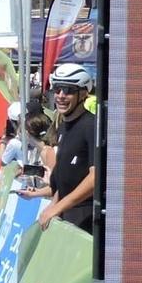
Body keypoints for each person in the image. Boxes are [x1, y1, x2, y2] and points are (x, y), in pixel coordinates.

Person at [37, 63, 98, 233]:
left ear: (84, 94)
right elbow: (65, 178)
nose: (61, 96)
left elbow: (95, 178)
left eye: (69, 90)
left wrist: (58, 207)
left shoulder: (91, 126)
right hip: (66, 215)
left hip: (85, 218)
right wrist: (54, 205)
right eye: (57, 89)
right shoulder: (64, 126)